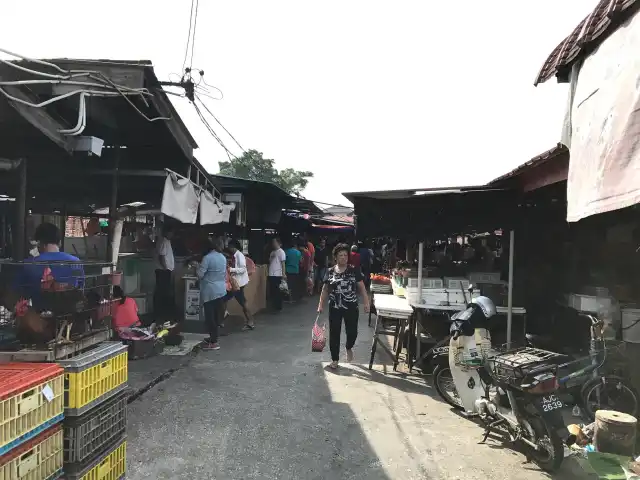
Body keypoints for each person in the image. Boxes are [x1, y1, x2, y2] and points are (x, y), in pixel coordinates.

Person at [318, 243, 370, 369]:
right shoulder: (330, 271)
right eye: (340, 255)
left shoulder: (353, 270)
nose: (343, 257)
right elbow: (325, 289)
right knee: (334, 333)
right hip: (334, 306)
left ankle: (348, 347)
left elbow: (362, 287)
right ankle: (335, 359)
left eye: (345, 255)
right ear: (335, 257)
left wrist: (367, 302)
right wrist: (320, 304)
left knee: (352, 332)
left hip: (351, 306)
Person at [15, 222, 84, 306]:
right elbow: (81, 288)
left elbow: (18, 293)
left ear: (40, 243)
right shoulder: (76, 262)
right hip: (71, 313)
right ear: (59, 242)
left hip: (39, 315)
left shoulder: (29, 264)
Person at [197, 237, 227, 350]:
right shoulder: (223, 258)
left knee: (210, 318)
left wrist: (196, 267)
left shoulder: (207, 258)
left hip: (210, 291)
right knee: (216, 316)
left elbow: (200, 274)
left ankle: (214, 342)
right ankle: (213, 338)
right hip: (221, 290)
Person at [223, 239, 255, 331]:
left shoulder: (239, 256)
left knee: (228, 299)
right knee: (241, 301)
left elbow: (243, 269)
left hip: (239, 284)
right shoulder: (235, 255)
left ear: (233, 247)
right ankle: (250, 322)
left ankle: (250, 321)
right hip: (238, 283)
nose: (228, 248)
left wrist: (231, 270)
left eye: (229, 247)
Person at [154, 226, 175, 322]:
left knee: (163, 291)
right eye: (171, 233)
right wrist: (166, 268)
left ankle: (162, 311)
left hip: (165, 270)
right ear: (167, 232)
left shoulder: (167, 241)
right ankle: (160, 312)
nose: (172, 235)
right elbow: (161, 256)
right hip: (163, 271)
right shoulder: (163, 241)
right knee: (162, 291)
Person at [268, 237, 286, 312]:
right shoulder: (272, 252)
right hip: (271, 274)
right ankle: (274, 305)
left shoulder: (281, 252)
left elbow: (283, 263)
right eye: (272, 242)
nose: (273, 244)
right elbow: (270, 261)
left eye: (274, 242)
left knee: (277, 291)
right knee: (273, 290)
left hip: (278, 274)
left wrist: (283, 274)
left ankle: (278, 306)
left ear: (278, 243)